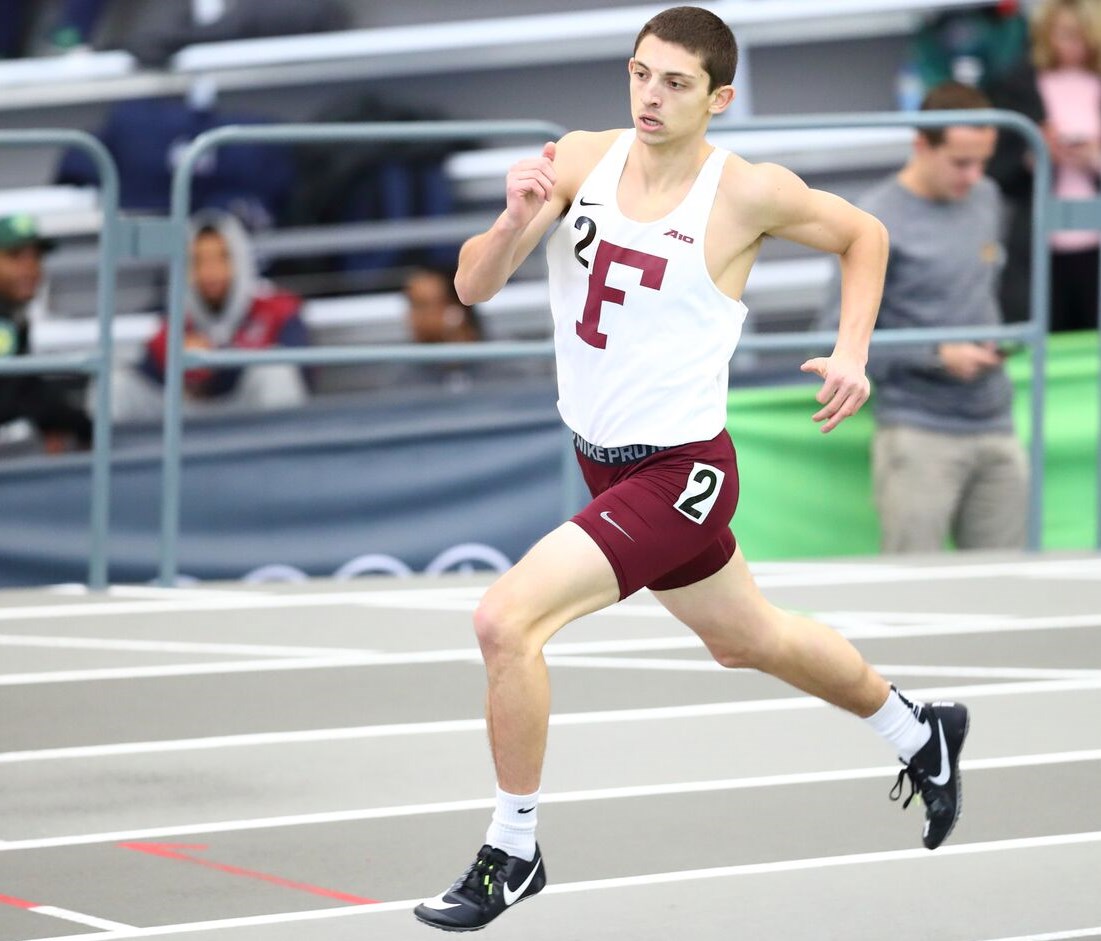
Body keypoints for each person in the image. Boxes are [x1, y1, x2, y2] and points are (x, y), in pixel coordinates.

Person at [414, 7, 970, 932]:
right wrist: (514, 221)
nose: (650, 96)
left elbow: (863, 234)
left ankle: (513, 849)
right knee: (747, 638)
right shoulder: (582, 159)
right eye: (640, 73)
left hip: (680, 473)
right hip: (602, 462)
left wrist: (851, 352)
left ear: (719, 98)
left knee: (504, 621)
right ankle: (920, 730)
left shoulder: (743, 191)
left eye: (674, 83)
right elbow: (472, 285)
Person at [839, 82, 1030, 554]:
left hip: (998, 424)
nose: (974, 176)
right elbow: (833, 337)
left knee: (1007, 588)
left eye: (982, 161)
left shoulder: (987, 198)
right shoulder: (873, 219)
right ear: (922, 144)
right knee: (914, 591)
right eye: (961, 162)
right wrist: (937, 356)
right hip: (918, 431)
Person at [109, 210, 310, 422]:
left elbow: (303, 370)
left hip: (250, 418)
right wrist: (185, 369)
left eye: (221, 258)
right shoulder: (175, 325)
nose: (210, 272)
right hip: (187, 424)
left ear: (240, 261)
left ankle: (282, 452)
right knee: (116, 384)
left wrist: (215, 360)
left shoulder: (276, 311)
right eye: (199, 261)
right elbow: (149, 374)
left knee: (276, 370)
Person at [987, 0, 1101, 331]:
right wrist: (1035, 155)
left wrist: (1093, 156)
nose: (1073, 45)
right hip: (1037, 237)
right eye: (1064, 35)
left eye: (1082, 35)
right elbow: (996, 169)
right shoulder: (1017, 84)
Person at [0, 214, 93, 454]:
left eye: (36, 257)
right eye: (15, 257)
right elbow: (11, 398)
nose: (29, 268)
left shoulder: (14, 316)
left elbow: (24, 387)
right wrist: (73, 422)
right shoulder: (6, 322)